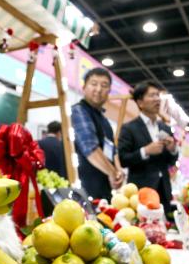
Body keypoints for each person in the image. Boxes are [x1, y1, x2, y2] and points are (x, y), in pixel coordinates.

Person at [118, 82, 179, 215]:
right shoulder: (129, 128)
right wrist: (145, 151)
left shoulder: (165, 128)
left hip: (164, 190)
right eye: (152, 95)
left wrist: (172, 149)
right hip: (140, 193)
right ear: (140, 102)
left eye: (158, 95)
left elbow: (171, 161)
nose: (157, 99)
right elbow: (123, 159)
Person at [71, 68, 124, 200]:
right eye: (94, 84)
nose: (99, 89)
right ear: (84, 87)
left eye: (104, 85)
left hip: (103, 191)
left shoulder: (104, 119)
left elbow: (112, 148)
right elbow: (90, 148)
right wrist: (112, 173)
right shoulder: (79, 111)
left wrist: (119, 171)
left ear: (109, 91)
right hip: (83, 192)